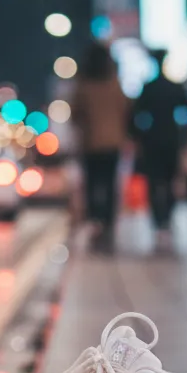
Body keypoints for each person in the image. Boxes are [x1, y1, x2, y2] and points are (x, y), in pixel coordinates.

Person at [71, 43, 129, 250]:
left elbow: (74, 113)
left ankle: (94, 219)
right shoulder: (114, 83)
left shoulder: (83, 85)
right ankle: (108, 222)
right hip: (113, 142)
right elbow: (126, 109)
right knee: (110, 182)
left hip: (90, 143)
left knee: (92, 182)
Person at [130, 50, 187, 243]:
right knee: (170, 180)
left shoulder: (149, 88)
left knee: (155, 181)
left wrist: (139, 136)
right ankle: (166, 217)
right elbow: (186, 111)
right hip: (170, 139)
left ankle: (159, 218)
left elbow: (136, 115)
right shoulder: (174, 87)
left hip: (153, 140)